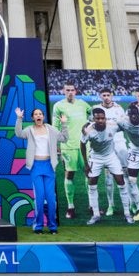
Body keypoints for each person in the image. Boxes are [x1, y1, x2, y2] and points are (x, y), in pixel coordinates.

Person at [14, 105, 68, 234]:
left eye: (40, 114)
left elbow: (64, 138)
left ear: (43, 117)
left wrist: (64, 124)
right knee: (39, 197)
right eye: (36, 114)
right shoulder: (29, 130)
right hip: (36, 166)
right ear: (33, 118)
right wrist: (19, 119)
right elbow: (18, 134)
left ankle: (52, 227)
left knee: (51, 199)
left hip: (49, 166)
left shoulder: (51, 129)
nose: (38, 116)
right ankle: (38, 226)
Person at [80, 108, 133, 225]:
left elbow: (127, 127)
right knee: (92, 184)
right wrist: (86, 163)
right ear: (93, 119)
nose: (100, 120)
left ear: (105, 118)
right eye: (97, 118)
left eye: (102, 118)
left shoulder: (113, 126)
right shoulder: (88, 131)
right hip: (95, 157)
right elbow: (82, 145)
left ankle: (127, 213)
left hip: (111, 156)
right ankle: (95, 215)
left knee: (121, 182)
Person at [51, 80, 91, 219]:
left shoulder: (83, 104)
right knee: (69, 175)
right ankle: (70, 207)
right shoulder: (58, 106)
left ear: (76, 91)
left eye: (72, 90)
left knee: (89, 173)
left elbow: (91, 117)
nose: (69, 92)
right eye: (67, 90)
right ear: (63, 91)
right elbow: (55, 127)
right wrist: (57, 146)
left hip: (85, 146)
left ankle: (92, 205)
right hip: (68, 146)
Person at [92, 88, 129, 216]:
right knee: (108, 177)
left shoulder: (119, 109)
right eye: (104, 95)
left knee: (125, 173)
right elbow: (92, 126)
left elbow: (124, 125)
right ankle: (110, 205)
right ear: (100, 96)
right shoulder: (96, 109)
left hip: (119, 143)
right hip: (105, 145)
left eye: (108, 95)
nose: (106, 97)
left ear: (112, 96)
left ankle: (131, 204)